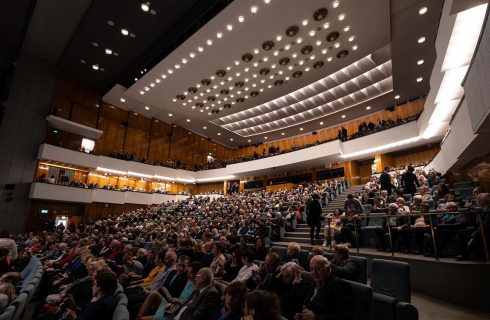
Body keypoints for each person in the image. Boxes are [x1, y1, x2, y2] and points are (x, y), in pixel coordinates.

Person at [295, 255, 353, 320]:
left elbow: (345, 316)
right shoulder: (313, 283)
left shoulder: (340, 286)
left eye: (318, 269)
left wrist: (316, 317)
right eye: (311, 269)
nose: (314, 272)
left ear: (327, 269)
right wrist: (302, 315)